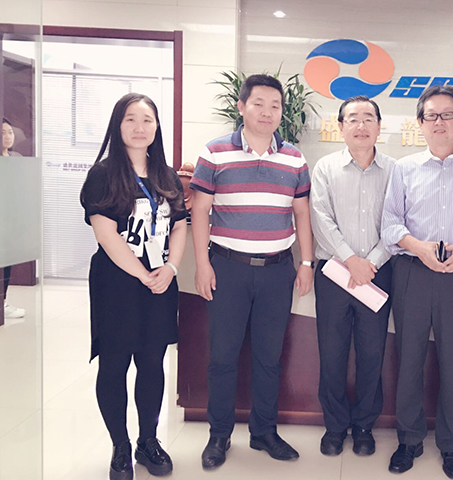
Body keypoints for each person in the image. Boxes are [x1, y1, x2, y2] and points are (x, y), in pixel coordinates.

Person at [190, 74, 314, 469]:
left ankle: (264, 432)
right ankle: (219, 435)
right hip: (228, 268)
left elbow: (302, 214)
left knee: (269, 357)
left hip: (277, 271)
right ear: (242, 106)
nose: (267, 112)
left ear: (282, 112)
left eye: (275, 105)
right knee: (223, 356)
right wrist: (202, 264)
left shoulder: (294, 158)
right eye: (258, 103)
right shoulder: (215, 152)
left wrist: (306, 263)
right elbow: (200, 211)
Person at [381, 85, 453, 479]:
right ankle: (409, 439)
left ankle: (452, 445)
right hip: (413, 271)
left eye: (447, 115)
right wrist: (418, 247)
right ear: (420, 123)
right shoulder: (404, 169)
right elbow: (390, 223)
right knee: (409, 358)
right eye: (431, 115)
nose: (439, 122)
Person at [80, 93, 187, 480]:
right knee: (114, 364)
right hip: (117, 284)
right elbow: (105, 234)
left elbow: (179, 225)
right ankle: (120, 446)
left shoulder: (167, 176)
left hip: (160, 282)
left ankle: (148, 441)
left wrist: (171, 268)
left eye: (147, 120)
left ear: (157, 127)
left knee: (152, 363)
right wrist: (143, 274)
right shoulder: (103, 175)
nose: (140, 127)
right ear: (118, 125)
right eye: (131, 119)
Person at [310, 96, 395, 457]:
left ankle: (363, 426)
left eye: (368, 118)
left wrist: (369, 263)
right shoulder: (325, 168)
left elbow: (398, 223)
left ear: (379, 126)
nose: (361, 125)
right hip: (333, 274)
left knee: (371, 353)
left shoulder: (395, 171)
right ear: (341, 126)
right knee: (331, 353)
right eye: (353, 119)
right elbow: (320, 218)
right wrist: (350, 260)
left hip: (378, 273)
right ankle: (334, 426)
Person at [2, 118, 25, 319]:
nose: (8, 136)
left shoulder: (16, 157)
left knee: (7, 263)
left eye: (10, 132)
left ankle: (3, 302)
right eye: (3, 133)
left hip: (11, 220)